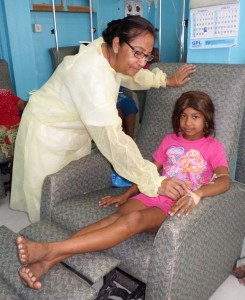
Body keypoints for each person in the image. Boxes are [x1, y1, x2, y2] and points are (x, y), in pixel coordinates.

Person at [16, 90, 230, 290]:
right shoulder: (169, 140)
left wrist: (197, 194)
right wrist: (126, 194)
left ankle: (50, 249)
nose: (188, 122)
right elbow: (148, 172)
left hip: (173, 205)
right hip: (153, 193)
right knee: (111, 219)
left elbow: (224, 180)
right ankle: (44, 264)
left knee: (132, 221)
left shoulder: (213, 147)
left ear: (206, 119)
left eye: (195, 116)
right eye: (183, 116)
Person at [10, 16, 196, 223]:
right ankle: (44, 240)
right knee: (45, 194)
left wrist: (163, 80)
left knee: (68, 188)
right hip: (47, 130)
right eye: (137, 53)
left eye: (147, 56)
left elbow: (128, 74)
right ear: (117, 43)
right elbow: (114, 141)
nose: (143, 62)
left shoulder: (107, 50)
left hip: (73, 128)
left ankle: (64, 238)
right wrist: (153, 181)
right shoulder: (91, 75)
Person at [0, 89, 27, 158]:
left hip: (5, 132)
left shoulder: (5, 93)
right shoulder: (5, 92)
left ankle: (13, 159)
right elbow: (21, 105)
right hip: (18, 127)